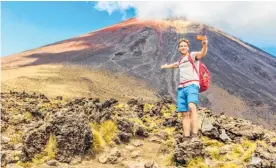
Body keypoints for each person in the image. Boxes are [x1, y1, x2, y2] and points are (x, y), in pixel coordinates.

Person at [161, 36, 208, 139]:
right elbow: (174, 65)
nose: (183, 47)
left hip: (192, 85)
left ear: (188, 47)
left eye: (185, 46)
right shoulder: (181, 61)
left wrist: (204, 44)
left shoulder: (192, 56)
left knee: (192, 106)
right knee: (184, 113)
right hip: (181, 88)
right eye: (181, 46)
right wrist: (165, 66)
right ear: (178, 48)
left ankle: (195, 134)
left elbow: (202, 53)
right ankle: (186, 137)